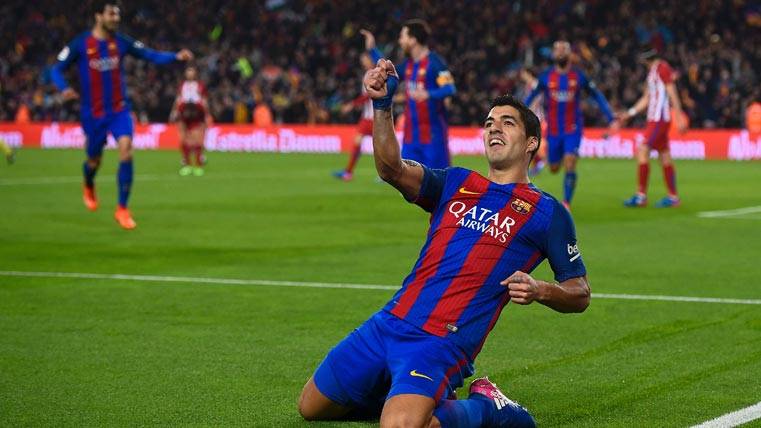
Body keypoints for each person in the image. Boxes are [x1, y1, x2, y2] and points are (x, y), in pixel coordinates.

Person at [298, 58, 591, 428]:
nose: (494, 128)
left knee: (400, 427)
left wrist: (541, 289)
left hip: (440, 342)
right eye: (488, 123)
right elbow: (391, 169)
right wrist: (382, 104)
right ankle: (408, 400)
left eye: (507, 122)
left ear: (532, 142)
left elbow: (579, 292)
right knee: (311, 407)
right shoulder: (455, 182)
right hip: (389, 322)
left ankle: (489, 408)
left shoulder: (547, 212)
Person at [51, 1, 193, 229]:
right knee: (93, 160)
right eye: (111, 14)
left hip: (119, 110)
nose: (116, 18)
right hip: (93, 113)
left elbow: (149, 55)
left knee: (126, 149)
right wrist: (63, 87)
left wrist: (175, 57)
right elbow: (56, 68)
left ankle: (122, 209)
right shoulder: (81, 43)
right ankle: (88, 182)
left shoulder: (122, 41)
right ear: (99, 16)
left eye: (117, 14)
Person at [524, 40, 618, 210]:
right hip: (553, 130)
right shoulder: (546, 77)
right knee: (554, 167)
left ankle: (566, 203)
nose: (560, 52)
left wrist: (611, 117)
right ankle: (543, 162)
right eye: (557, 50)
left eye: (563, 49)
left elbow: (597, 95)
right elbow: (531, 96)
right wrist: (519, 113)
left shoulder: (579, 76)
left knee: (570, 162)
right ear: (553, 54)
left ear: (569, 54)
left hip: (573, 129)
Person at [620, 49, 686, 208]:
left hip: (659, 119)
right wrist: (630, 113)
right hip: (655, 119)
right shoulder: (653, 72)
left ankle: (641, 196)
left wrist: (679, 116)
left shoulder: (662, 68)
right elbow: (647, 98)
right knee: (664, 156)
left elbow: (672, 93)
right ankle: (673, 197)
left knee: (642, 150)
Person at [397, 19, 456, 169]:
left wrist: (428, 94)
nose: (400, 41)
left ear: (413, 40)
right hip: (410, 138)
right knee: (408, 187)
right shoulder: (407, 65)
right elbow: (388, 71)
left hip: (433, 137)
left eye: (403, 37)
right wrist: (372, 50)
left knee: (437, 184)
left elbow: (449, 88)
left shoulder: (436, 63)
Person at [333, 29, 383, 181]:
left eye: (365, 59)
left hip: (376, 118)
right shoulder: (367, 74)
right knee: (357, 142)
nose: (363, 61)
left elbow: (368, 95)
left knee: (381, 148)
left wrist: (351, 105)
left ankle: (386, 175)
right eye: (361, 60)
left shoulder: (375, 74)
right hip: (367, 118)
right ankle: (348, 172)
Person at [170, 65, 212, 176]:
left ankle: (198, 165)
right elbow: (178, 99)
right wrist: (174, 111)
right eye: (188, 71)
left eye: (192, 71)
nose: (190, 73)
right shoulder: (182, 85)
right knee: (184, 140)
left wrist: (207, 114)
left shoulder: (200, 86)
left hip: (197, 113)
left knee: (197, 140)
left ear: (195, 73)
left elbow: (204, 100)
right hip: (184, 112)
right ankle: (187, 165)